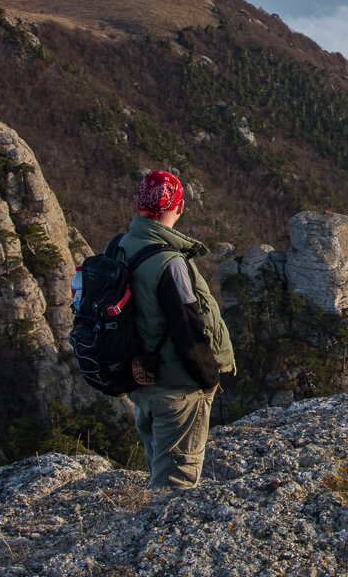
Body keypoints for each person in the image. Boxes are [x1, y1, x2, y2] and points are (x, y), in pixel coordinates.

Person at [123, 170, 236, 488]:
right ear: (180, 207)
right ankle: (162, 535)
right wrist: (210, 378)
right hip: (176, 391)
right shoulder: (169, 262)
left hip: (142, 382)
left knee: (158, 469)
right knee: (176, 485)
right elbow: (188, 330)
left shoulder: (121, 248)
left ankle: (151, 527)